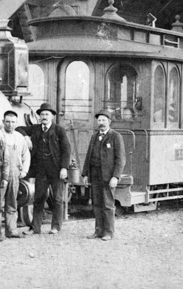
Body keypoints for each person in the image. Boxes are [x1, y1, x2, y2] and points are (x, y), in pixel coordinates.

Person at [27, 103, 73, 235]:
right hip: (41, 170)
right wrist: (25, 136)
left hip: (56, 170)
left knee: (57, 199)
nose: (44, 116)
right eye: (42, 114)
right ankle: (35, 228)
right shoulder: (35, 129)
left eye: (47, 114)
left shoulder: (59, 130)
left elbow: (66, 150)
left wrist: (64, 168)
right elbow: (19, 128)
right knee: (38, 198)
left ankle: (55, 227)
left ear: (52, 116)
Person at [81, 110, 126, 241]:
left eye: (103, 120)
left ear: (109, 122)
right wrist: (85, 174)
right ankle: (98, 231)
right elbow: (89, 156)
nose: (101, 123)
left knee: (107, 204)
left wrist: (115, 177)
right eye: (99, 120)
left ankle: (108, 232)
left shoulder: (115, 136)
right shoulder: (94, 136)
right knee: (96, 204)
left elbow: (120, 159)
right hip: (95, 175)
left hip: (108, 177)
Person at [0, 110, 30, 239]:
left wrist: (24, 171)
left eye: (12, 122)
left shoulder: (19, 137)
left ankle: (11, 230)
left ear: (16, 123)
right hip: (0, 174)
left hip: (15, 173)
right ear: (3, 122)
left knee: (12, 202)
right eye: (7, 122)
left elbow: (26, 155)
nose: (10, 125)